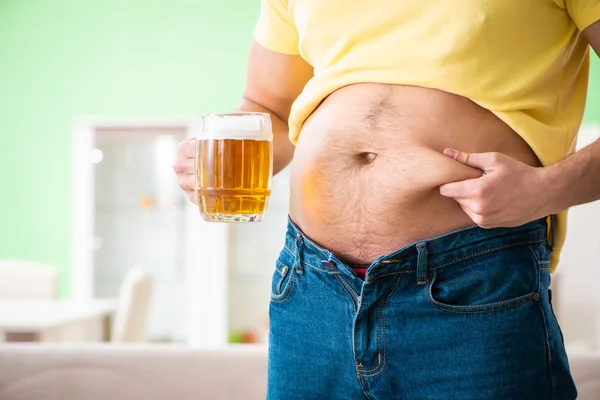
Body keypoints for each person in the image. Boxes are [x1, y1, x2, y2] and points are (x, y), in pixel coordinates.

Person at [174, 1, 600, 398]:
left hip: (473, 279)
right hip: (311, 287)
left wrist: (545, 189)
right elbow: (270, 108)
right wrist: (215, 157)